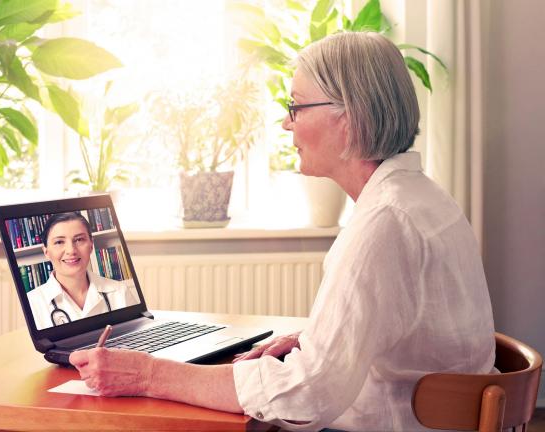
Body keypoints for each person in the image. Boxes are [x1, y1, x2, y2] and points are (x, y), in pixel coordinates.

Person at [69, 32, 495, 431]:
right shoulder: (423, 199)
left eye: (296, 107)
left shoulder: (384, 223)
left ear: (348, 119)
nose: (286, 124)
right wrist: (311, 341)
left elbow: (305, 395)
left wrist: (147, 374)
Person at [27, 212, 140, 330]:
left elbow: (138, 342)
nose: (71, 250)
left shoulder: (120, 292)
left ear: (91, 245)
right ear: (46, 252)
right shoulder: (32, 303)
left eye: (79, 239)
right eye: (59, 242)